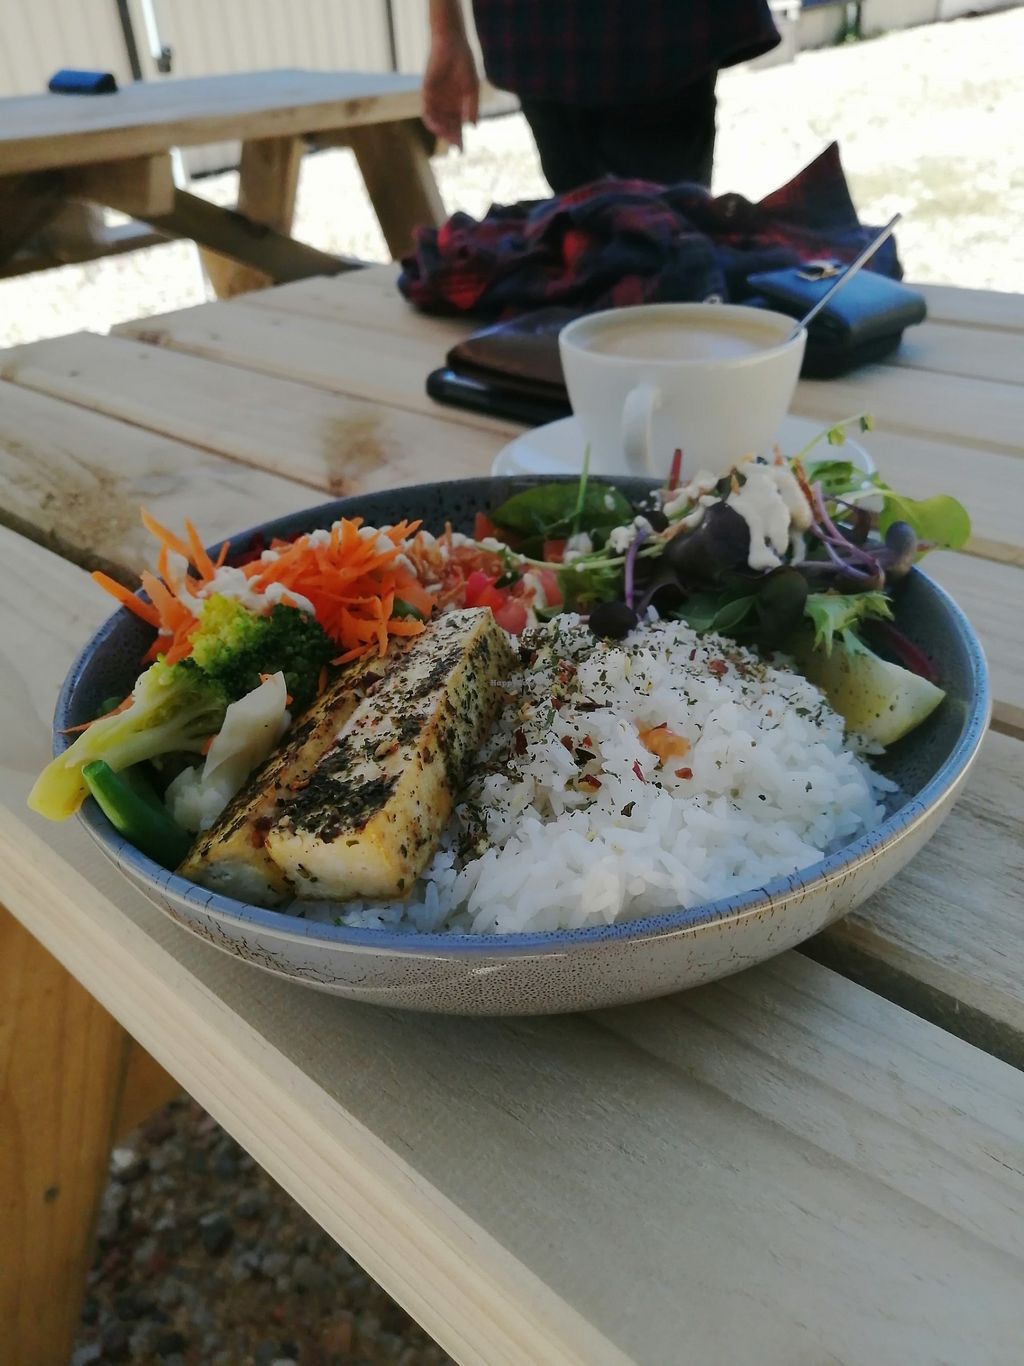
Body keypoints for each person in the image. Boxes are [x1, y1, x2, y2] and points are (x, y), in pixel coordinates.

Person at [423, 0, 781, 193]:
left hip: (658, 28)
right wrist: (445, 32)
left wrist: (446, 31)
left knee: (663, 241)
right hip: (540, 26)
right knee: (597, 244)